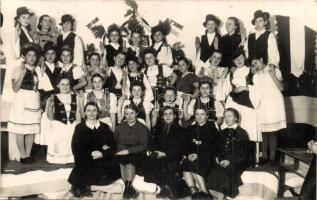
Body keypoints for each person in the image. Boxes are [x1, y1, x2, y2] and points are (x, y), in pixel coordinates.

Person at [68, 102, 120, 198]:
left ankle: (87, 185)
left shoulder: (104, 127)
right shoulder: (80, 128)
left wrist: (102, 153)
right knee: (85, 166)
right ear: (85, 113)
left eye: (94, 110)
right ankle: (80, 186)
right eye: (88, 110)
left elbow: (112, 145)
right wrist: (91, 153)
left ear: (98, 112)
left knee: (114, 168)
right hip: (87, 158)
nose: (91, 113)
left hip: (102, 158)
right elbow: (76, 148)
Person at [222, 48, 261, 163]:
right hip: (234, 102)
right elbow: (226, 89)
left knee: (247, 128)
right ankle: (233, 158)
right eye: (236, 59)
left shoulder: (251, 70)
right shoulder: (232, 73)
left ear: (245, 57)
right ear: (233, 61)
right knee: (234, 129)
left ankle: (250, 159)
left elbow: (259, 87)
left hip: (248, 103)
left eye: (241, 57)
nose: (239, 60)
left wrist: (246, 87)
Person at [7, 43, 42, 164]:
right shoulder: (18, 69)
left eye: (34, 55)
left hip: (33, 100)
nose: (32, 58)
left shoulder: (38, 70)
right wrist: (22, 73)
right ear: (24, 57)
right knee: (21, 128)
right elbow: (15, 88)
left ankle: (28, 154)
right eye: (29, 55)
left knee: (31, 128)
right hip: (21, 100)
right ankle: (22, 155)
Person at [144, 107, 187, 199]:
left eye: (170, 114)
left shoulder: (181, 130)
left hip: (172, 156)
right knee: (149, 162)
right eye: (165, 114)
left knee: (166, 165)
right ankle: (163, 188)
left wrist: (165, 154)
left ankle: (169, 188)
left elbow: (180, 149)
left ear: (174, 116)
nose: (168, 116)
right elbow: (153, 143)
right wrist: (154, 151)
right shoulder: (158, 129)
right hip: (158, 155)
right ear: (162, 117)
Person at [208, 108, 251, 200]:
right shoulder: (222, 132)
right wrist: (218, 157)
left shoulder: (242, 133)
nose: (226, 119)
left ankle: (221, 197)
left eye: (229, 116)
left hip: (237, 162)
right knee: (213, 173)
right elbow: (218, 149)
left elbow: (244, 154)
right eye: (225, 117)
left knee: (223, 175)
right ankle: (220, 197)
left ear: (236, 118)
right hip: (223, 161)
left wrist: (230, 161)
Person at [251, 57, 286, 164]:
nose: (256, 66)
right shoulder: (255, 76)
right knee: (264, 132)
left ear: (261, 59)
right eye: (253, 65)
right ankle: (264, 157)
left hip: (275, 103)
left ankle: (272, 158)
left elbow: (281, 88)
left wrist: (272, 75)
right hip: (263, 104)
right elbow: (255, 92)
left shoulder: (273, 70)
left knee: (273, 132)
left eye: (256, 62)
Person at [181, 107, 218, 199]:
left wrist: (198, 154)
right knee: (186, 162)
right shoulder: (190, 128)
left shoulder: (212, 129)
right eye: (197, 114)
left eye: (202, 114)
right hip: (192, 156)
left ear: (207, 116)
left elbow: (213, 147)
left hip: (207, 158)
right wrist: (189, 154)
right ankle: (193, 191)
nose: (199, 117)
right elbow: (186, 145)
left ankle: (205, 192)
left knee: (195, 163)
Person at [114, 104, 149, 199]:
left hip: (137, 153)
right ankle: (129, 188)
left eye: (132, 113)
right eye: (126, 114)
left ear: (136, 113)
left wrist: (128, 151)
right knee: (120, 161)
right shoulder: (119, 127)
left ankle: (127, 188)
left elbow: (144, 146)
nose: (129, 116)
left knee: (129, 161)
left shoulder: (142, 128)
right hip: (121, 152)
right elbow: (115, 141)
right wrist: (120, 151)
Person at [46, 76, 83, 164]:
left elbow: (78, 113)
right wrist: (50, 107)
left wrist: (80, 128)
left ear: (70, 85)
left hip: (72, 125)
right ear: (58, 85)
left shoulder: (75, 97)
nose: (65, 86)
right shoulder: (52, 97)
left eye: (67, 84)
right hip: (59, 126)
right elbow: (50, 118)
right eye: (62, 84)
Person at [36, 41, 60, 111]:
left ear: (56, 55)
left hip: (56, 99)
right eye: (48, 53)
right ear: (44, 55)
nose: (50, 56)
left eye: (52, 53)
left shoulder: (59, 69)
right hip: (43, 100)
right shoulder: (38, 68)